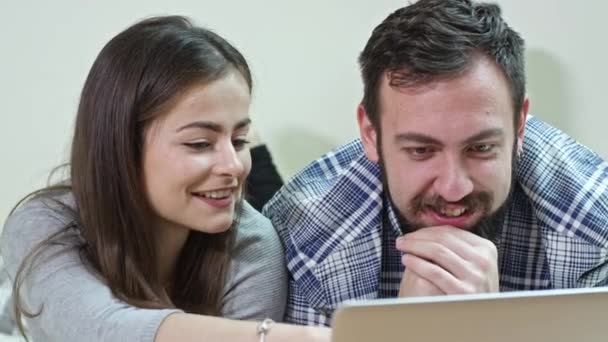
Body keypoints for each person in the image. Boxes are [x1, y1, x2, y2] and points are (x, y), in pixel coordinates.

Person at [263, 0, 608, 326]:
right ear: (370, 133)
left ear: (520, 127)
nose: (453, 187)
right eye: (421, 151)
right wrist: (406, 331)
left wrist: (493, 328)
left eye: (481, 147)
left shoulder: (596, 229)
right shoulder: (308, 235)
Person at [0, 16, 330, 341]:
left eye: (240, 141)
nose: (234, 166)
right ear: (121, 146)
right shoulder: (43, 224)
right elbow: (99, 327)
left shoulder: (252, 244)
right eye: (200, 143)